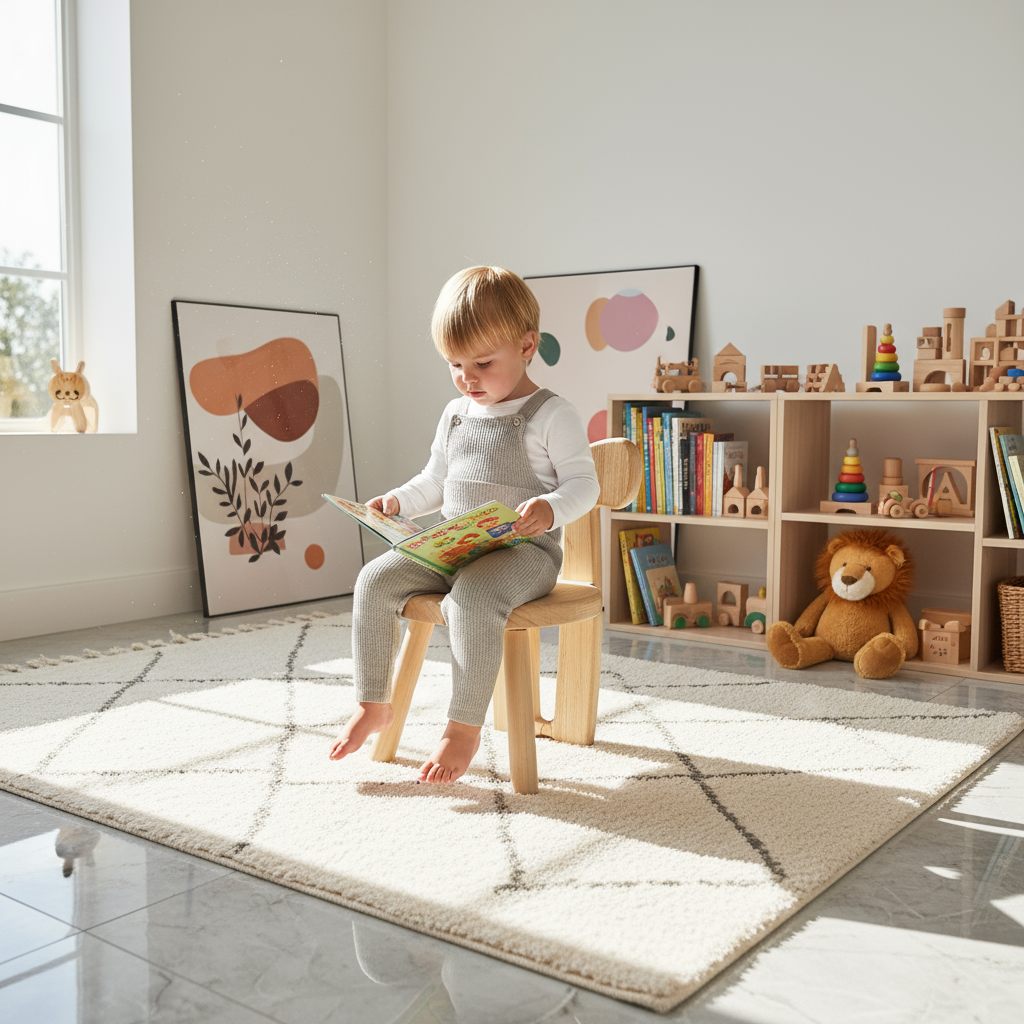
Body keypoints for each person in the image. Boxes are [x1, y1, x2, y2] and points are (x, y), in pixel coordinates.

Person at [329, 266, 600, 782]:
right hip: (453, 546)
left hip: (523, 555)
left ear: (526, 346)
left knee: (472, 598)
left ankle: (463, 727)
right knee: (374, 579)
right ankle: (372, 701)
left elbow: (584, 484)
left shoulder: (550, 414)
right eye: (454, 364)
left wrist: (549, 508)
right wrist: (397, 502)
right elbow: (435, 480)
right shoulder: (456, 413)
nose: (466, 378)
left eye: (481, 362)